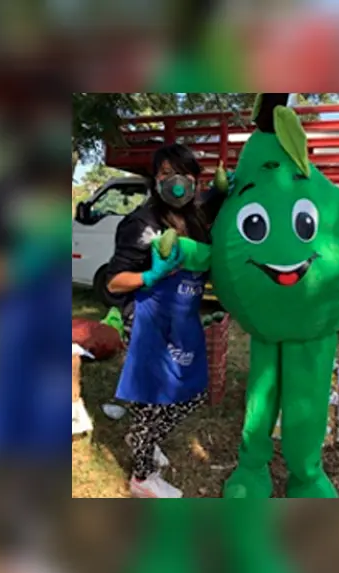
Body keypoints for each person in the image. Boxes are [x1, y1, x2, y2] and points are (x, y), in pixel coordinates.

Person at [106, 143, 220, 498]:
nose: (176, 182)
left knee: (190, 392)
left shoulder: (196, 217)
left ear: (194, 180)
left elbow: (212, 205)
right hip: (146, 319)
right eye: (166, 173)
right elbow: (113, 281)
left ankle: (144, 437)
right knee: (154, 398)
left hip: (182, 319)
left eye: (184, 174)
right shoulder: (140, 223)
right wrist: (150, 275)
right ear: (155, 179)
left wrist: (221, 190)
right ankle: (142, 475)